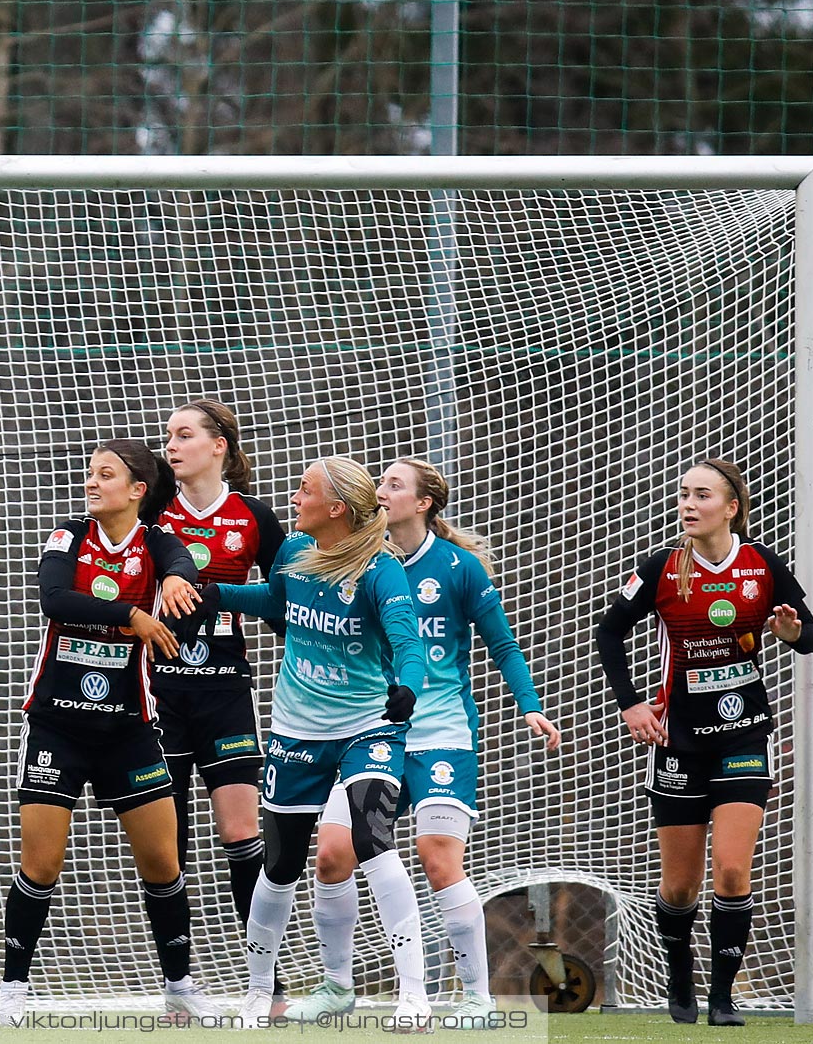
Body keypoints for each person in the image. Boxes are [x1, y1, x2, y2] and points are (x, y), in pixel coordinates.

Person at [288, 457, 561, 1028]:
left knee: (438, 860)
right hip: (373, 731)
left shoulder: (459, 569)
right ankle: (337, 986)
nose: (382, 491)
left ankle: (476, 998)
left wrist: (530, 707)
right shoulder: (358, 562)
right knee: (334, 855)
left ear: (424, 503)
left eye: (394, 484)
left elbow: (504, 646)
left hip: (440, 734)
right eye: (379, 482)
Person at [0, 439, 223, 1028]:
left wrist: (176, 582)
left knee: (162, 863)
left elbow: (182, 566)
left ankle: (179, 986)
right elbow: (56, 599)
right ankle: (13, 993)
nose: (92, 482)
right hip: (57, 727)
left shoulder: (156, 542)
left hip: (129, 729)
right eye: (89, 473)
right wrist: (132, 616)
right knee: (41, 864)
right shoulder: (69, 537)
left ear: (138, 490)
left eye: (106, 474)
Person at [204, 456, 431, 1031]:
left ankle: (414, 994)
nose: (294, 497)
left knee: (373, 839)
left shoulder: (381, 569)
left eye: (304, 490)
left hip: (368, 729)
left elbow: (408, 642)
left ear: (336, 509)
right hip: (296, 732)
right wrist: (216, 597)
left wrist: (407, 687)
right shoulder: (291, 554)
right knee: (280, 866)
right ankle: (258, 994)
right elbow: (275, 605)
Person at [597, 458, 813, 1027]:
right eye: (683, 495)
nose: (689, 505)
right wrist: (631, 703)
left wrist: (791, 632)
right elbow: (609, 632)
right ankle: (679, 980)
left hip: (744, 735)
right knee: (679, 883)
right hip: (678, 741)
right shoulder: (664, 569)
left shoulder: (761, 565)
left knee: (731, 873)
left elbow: (810, 635)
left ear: (731, 507)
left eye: (702, 495)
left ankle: (722, 999)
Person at [156, 402, 286, 949]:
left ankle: (267, 982)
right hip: (156, 690)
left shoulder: (254, 517)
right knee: (166, 846)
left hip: (225, 687)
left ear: (219, 447)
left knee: (241, 831)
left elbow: (287, 602)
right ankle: (178, 983)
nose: (171, 445)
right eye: (168, 436)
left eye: (184, 435)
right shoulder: (152, 511)